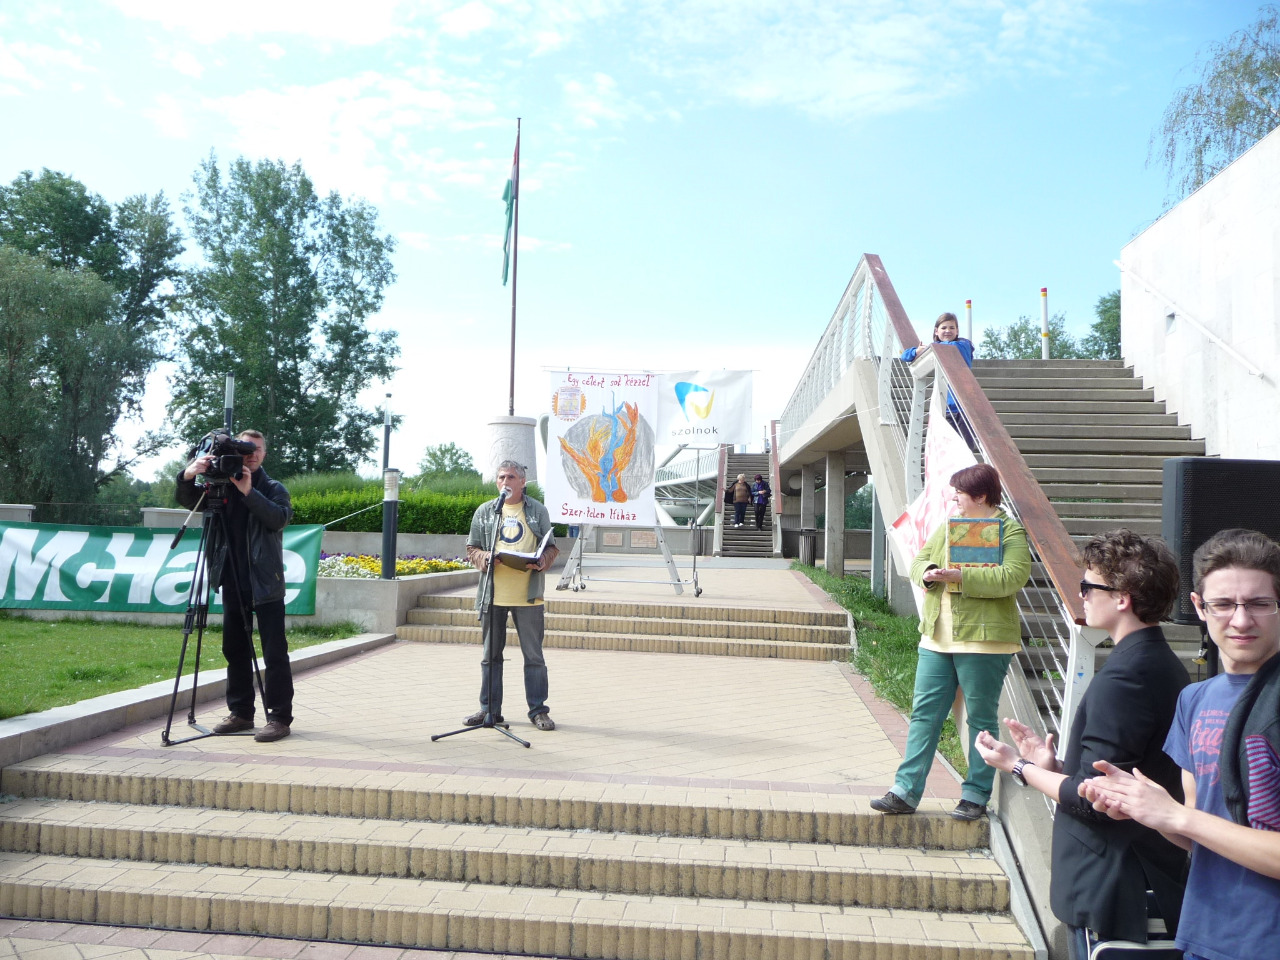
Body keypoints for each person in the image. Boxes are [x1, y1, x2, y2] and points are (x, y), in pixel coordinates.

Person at [975, 530, 1189, 959]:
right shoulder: (1159, 662)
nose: (1082, 595)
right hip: (1135, 876)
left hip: (1114, 885)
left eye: (1089, 586)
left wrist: (1018, 766)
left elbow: (1096, 799)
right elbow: (1115, 774)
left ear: (1122, 598)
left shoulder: (1127, 676)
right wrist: (1053, 766)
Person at [1082, 528, 1280, 960]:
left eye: (1258, 604)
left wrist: (1176, 816)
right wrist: (1147, 810)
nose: (1240, 620)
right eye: (1223, 604)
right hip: (1205, 936)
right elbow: (1198, 831)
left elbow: (1191, 821)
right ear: (1199, 607)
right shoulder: (1194, 699)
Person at [870, 462, 1031, 821]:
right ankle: (905, 790)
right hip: (936, 638)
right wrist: (929, 574)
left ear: (981, 496)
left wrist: (960, 576)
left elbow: (1013, 577)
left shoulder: (1010, 531)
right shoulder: (949, 526)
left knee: (981, 719)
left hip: (985, 641)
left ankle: (975, 794)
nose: (955, 499)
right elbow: (919, 561)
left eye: (960, 493)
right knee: (924, 715)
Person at [175, 429, 295, 743]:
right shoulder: (219, 486)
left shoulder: (272, 487)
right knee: (235, 649)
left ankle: (279, 718)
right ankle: (241, 713)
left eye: (257, 449)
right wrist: (188, 474)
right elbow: (189, 501)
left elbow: (278, 519)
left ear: (264, 454)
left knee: (274, 652)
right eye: (245, 449)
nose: (251, 454)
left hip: (266, 581)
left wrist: (248, 491)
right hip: (231, 578)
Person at [465, 460, 559, 731]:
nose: (505, 482)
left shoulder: (537, 510)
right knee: (490, 657)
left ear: (522, 482)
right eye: (501, 477)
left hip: (528, 597)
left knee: (534, 657)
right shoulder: (486, 512)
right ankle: (489, 710)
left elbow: (551, 548)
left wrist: (542, 561)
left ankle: (538, 711)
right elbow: (472, 548)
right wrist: (485, 557)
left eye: (511, 477)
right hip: (493, 596)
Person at [901, 312, 977, 448]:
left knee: (965, 449)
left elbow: (949, 347)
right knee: (945, 450)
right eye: (944, 328)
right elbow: (905, 356)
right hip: (945, 406)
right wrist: (916, 351)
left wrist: (930, 347)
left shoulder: (963, 345)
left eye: (952, 328)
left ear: (957, 331)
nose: (948, 331)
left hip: (964, 407)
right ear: (936, 331)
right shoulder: (936, 347)